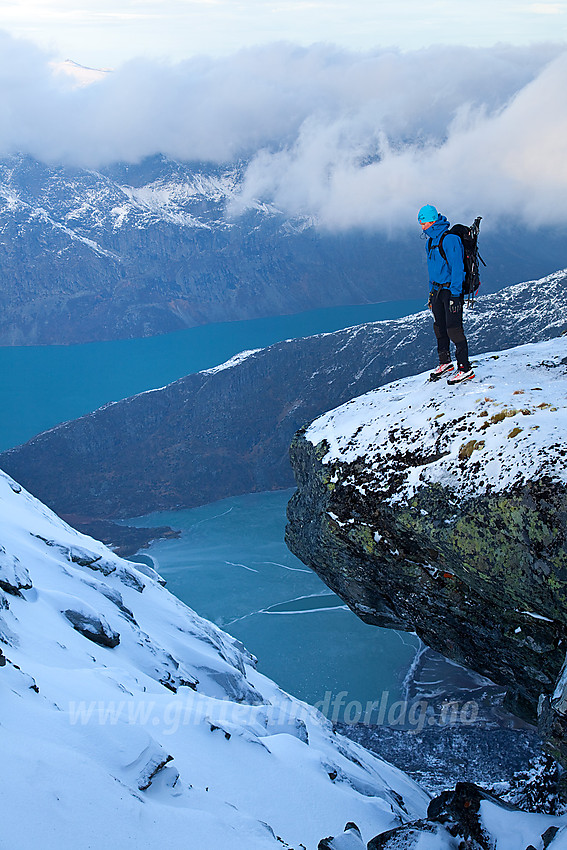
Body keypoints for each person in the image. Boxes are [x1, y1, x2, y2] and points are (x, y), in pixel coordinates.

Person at [418, 204, 474, 384]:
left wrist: (456, 295)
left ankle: (465, 368)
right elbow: (432, 270)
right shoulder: (430, 241)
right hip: (437, 292)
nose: (422, 226)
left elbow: (457, 268)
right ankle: (445, 363)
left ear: (433, 221)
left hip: (451, 291)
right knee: (439, 328)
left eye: (424, 222)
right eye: (421, 223)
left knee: (454, 329)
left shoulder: (449, 240)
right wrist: (431, 293)